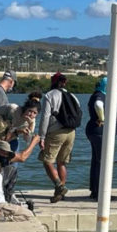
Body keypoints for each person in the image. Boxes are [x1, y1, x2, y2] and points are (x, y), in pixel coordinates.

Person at [38, 72, 80, 203]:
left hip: (56, 132)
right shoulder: (73, 96)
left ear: (53, 82)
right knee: (62, 162)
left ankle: (59, 186)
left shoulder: (49, 95)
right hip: (71, 132)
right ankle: (60, 194)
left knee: (47, 161)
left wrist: (42, 136)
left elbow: (45, 117)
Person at [85, 75, 117, 200]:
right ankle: (101, 192)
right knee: (103, 161)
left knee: (97, 161)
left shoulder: (99, 94)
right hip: (100, 132)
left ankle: (95, 190)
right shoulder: (100, 95)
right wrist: (102, 119)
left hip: (95, 131)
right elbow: (98, 105)